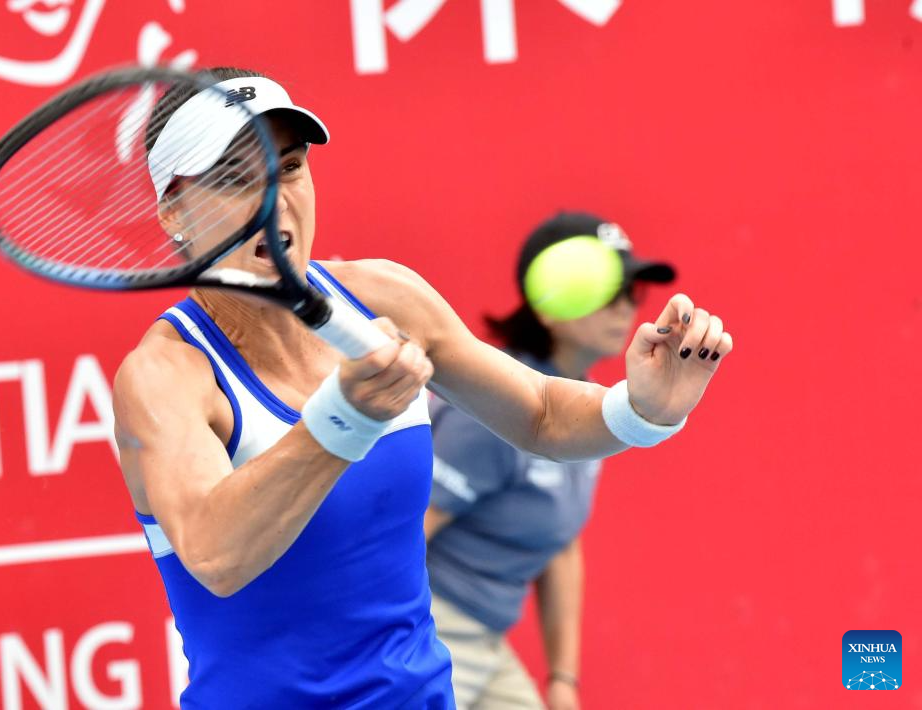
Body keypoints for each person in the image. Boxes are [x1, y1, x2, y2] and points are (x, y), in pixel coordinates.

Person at [113, 67, 734, 708]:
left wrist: (640, 409)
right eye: (234, 178)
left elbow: (542, 414)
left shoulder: (386, 294)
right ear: (173, 209)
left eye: (289, 167)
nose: (273, 201)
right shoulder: (164, 377)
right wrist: (342, 419)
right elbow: (217, 557)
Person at [424, 212, 679, 710]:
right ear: (551, 304)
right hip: (431, 626)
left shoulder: (589, 407)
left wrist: (563, 679)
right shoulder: (496, 403)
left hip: (486, 640)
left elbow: (559, 544)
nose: (626, 308)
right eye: (608, 290)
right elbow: (407, 527)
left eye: (632, 292)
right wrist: (380, 642)